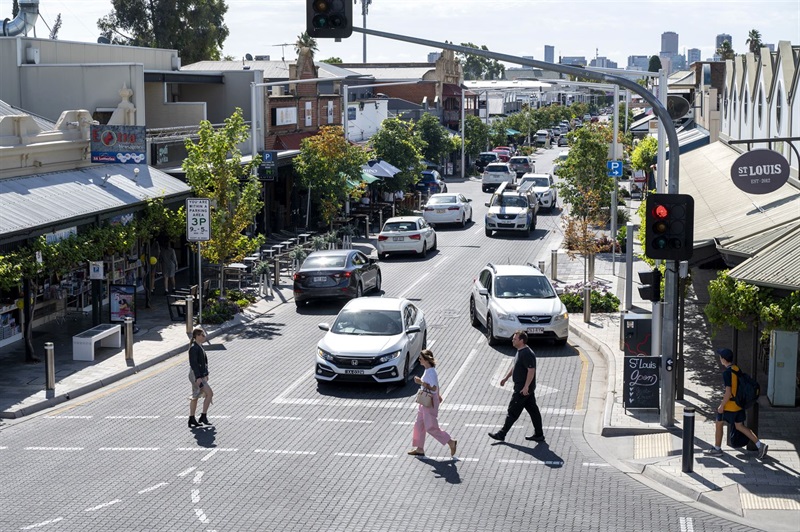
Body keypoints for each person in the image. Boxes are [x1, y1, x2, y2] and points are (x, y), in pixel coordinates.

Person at [704, 348, 768, 458]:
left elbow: (728, 392)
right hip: (739, 405)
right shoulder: (736, 368)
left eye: (720, 357)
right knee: (739, 426)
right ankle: (760, 445)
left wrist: (722, 405)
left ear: (723, 359)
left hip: (730, 406)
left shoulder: (727, 373)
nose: (720, 359)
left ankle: (717, 449)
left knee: (719, 422)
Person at [489, 330, 545, 443]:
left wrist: (526, 387)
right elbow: (516, 366)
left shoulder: (527, 354)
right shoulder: (520, 351)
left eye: (515, 339)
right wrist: (506, 378)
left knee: (512, 411)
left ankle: (502, 434)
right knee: (533, 410)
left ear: (521, 341)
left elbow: (531, 371)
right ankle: (539, 434)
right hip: (524, 388)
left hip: (522, 390)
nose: (512, 340)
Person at [408, 349, 458, 458]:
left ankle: (450, 441)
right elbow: (436, 386)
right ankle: (419, 448)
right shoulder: (428, 370)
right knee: (419, 423)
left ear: (426, 360)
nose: (419, 359)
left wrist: (420, 382)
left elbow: (434, 387)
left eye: (421, 358)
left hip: (429, 402)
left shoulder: (431, 372)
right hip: (424, 400)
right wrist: (438, 394)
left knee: (430, 426)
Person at [188, 327, 214, 428]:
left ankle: (192, 418)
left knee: (196, 396)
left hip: (200, 374)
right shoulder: (194, 348)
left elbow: (204, 363)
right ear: (197, 336)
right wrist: (198, 377)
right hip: (195, 375)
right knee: (209, 393)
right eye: (202, 335)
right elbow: (194, 363)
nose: (204, 337)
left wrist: (206, 374)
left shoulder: (199, 346)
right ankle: (202, 416)